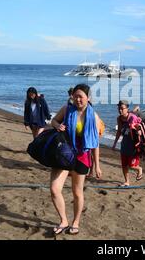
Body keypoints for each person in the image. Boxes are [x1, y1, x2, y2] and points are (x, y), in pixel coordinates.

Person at [50, 84, 102, 235]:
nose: (78, 99)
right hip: (64, 153)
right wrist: (58, 125)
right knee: (54, 189)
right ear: (72, 96)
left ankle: (76, 221)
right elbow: (53, 121)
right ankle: (63, 220)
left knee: (77, 192)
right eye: (75, 96)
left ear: (88, 98)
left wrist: (96, 166)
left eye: (81, 96)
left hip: (82, 157)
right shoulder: (67, 109)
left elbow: (95, 143)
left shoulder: (94, 116)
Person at [112, 100, 143, 187]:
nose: (120, 110)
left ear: (127, 109)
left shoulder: (132, 117)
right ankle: (127, 181)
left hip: (133, 146)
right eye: (119, 108)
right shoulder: (119, 119)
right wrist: (114, 144)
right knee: (124, 165)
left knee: (132, 166)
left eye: (122, 108)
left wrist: (138, 129)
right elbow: (119, 131)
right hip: (124, 145)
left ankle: (139, 169)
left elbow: (139, 128)